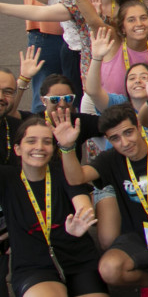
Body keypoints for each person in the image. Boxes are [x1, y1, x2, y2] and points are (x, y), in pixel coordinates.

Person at [56, 102, 148, 296]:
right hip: (139, 239)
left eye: (128, 133)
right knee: (109, 268)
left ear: (139, 128)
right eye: (115, 138)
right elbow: (76, 178)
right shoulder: (110, 159)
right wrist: (66, 148)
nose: (125, 143)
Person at [2, 118, 106, 297]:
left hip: (78, 261)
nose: (40, 147)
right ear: (18, 149)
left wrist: (81, 220)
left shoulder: (63, 172)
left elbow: (82, 203)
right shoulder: (7, 178)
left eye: (47, 142)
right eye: (31, 141)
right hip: (33, 267)